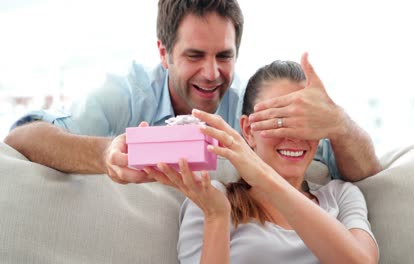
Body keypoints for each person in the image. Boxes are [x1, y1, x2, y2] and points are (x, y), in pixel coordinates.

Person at [4, 0, 381, 184]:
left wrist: (340, 124)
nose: (213, 73)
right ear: (164, 53)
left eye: (224, 56)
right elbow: (23, 136)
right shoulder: (128, 95)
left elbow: (363, 173)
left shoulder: (252, 110)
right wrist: (106, 151)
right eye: (195, 55)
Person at [146, 57, 379, 263]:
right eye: (278, 120)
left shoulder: (341, 196)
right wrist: (217, 216)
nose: (293, 136)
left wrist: (264, 177)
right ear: (248, 131)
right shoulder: (211, 199)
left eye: (303, 122)